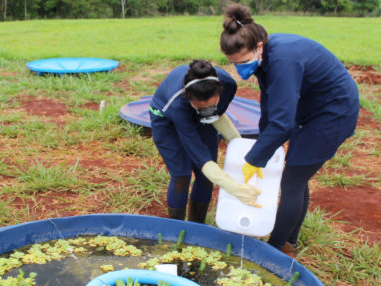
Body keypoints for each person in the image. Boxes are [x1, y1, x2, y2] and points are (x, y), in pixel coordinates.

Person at [219, 4, 359, 253]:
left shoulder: (283, 61)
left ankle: (275, 251)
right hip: (310, 108)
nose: (240, 69)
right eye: (234, 63)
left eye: (243, 61)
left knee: (293, 180)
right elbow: (269, 104)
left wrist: (254, 158)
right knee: (297, 175)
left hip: (332, 113)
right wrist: (263, 143)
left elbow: (283, 123)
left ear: (258, 46)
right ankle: (289, 241)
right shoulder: (265, 56)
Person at [150, 59, 261, 223]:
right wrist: (233, 188)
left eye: (211, 105)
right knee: (181, 175)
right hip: (167, 121)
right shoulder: (177, 105)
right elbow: (197, 150)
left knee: (206, 177)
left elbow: (216, 115)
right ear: (189, 98)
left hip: (201, 119)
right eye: (201, 107)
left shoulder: (228, 85)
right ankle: (177, 226)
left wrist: (241, 148)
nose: (207, 110)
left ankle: (197, 225)